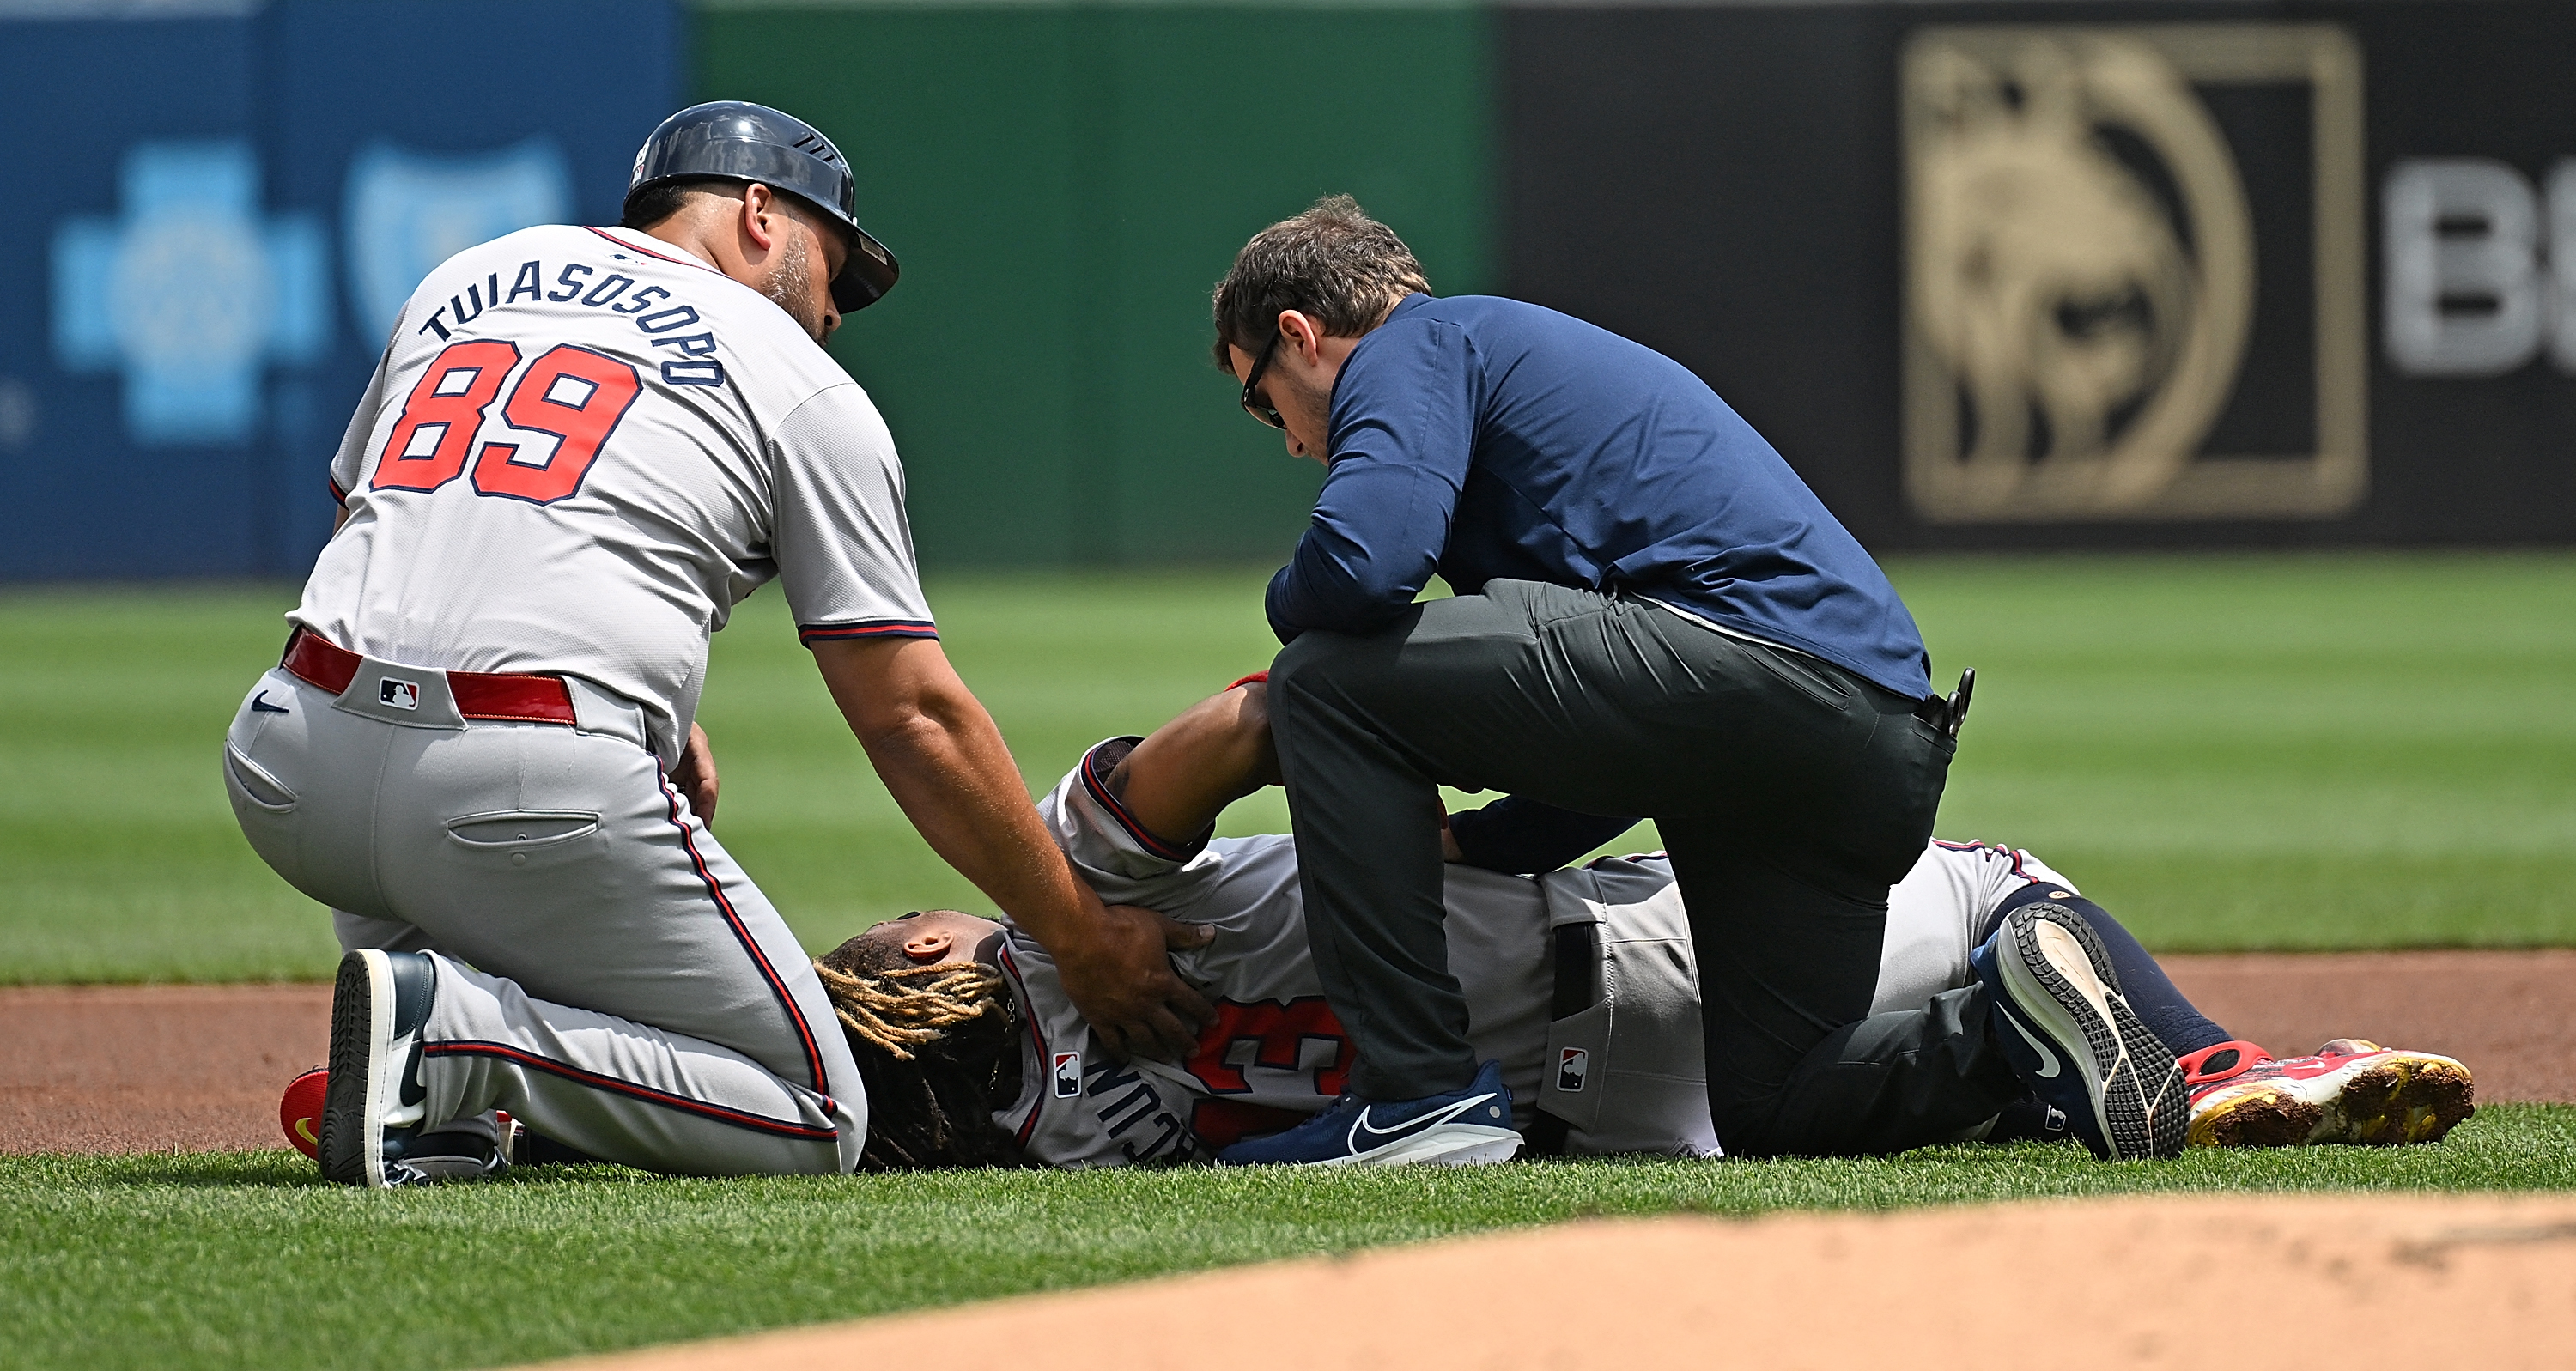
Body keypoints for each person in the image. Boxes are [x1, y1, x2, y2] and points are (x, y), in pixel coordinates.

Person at [222, 101, 1212, 1187]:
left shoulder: (472, 277)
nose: (834, 311)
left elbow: (377, 520)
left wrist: (646, 701)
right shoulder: (798, 383)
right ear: (758, 214)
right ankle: (461, 1043)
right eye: (834, 266)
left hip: (290, 761)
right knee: (817, 1111)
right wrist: (1074, 932)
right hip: (516, 790)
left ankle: (438, 1088)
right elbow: (911, 713)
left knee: (490, 898)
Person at [1205, 196, 2185, 1167]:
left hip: (1739, 663)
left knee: (1323, 679)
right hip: (1872, 737)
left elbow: (1365, 563)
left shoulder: (1414, 344)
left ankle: (1418, 1094)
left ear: (1301, 334)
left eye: (1263, 398)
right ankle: (2013, 1019)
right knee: (1779, 1099)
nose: (1290, 440)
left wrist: (1283, 602)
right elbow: (1614, 752)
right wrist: (1480, 837)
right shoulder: (1492, 371)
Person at [809, 678, 2475, 1170]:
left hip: (1610, 1122)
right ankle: (2200, 1066)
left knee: (1923, 1076)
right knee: (1997, 886)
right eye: (917, 917)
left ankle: (2034, 1061)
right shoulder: (1071, 909)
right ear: (943, 958)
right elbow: (1265, 708)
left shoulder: (1054, 1148)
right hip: (1616, 947)